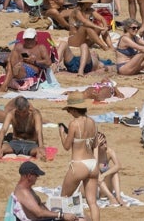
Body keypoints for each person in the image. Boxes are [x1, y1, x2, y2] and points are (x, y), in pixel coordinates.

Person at [59, 92, 100, 221]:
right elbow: (95, 144)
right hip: (92, 164)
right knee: (92, 202)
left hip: (79, 164)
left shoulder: (74, 124)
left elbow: (66, 146)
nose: (69, 113)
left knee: (64, 197)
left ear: (74, 109)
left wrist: (62, 134)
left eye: (69, 110)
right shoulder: (92, 122)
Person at [9, 161, 84, 221]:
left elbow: (35, 206)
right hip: (41, 219)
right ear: (29, 176)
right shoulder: (24, 192)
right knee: (80, 219)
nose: (37, 178)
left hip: (44, 217)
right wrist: (61, 215)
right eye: (36, 175)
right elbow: (39, 213)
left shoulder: (25, 188)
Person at [0, 96, 45, 160]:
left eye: (24, 112)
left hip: (31, 143)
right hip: (15, 142)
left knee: (40, 153)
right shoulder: (11, 114)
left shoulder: (35, 114)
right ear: (15, 109)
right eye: (18, 112)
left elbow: (38, 131)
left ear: (28, 107)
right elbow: (3, 130)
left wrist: (41, 146)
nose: (21, 115)